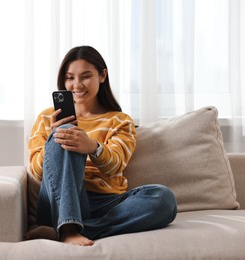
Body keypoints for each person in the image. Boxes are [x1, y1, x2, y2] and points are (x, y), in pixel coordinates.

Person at [27, 46, 177, 246]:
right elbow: (37, 173)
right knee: (64, 133)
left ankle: (68, 229)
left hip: (106, 202)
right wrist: (55, 141)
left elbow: (116, 165)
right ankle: (69, 228)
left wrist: (92, 147)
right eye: (70, 78)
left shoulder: (120, 120)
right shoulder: (48, 117)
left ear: (102, 75)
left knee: (163, 198)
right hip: (60, 198)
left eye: (85, 76)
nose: (77, 85)